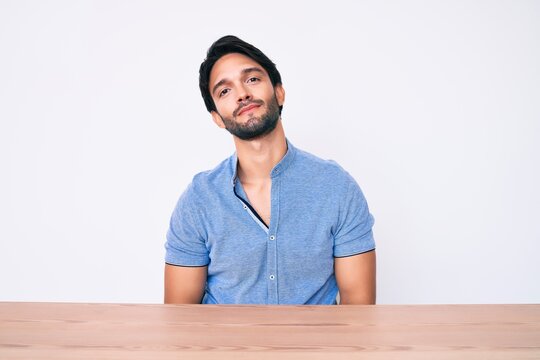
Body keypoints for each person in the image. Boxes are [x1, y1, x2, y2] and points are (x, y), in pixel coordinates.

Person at [164, 35, 376, 305]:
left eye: (252, 79)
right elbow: (180, 318)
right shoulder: (199, 201)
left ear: (279, 92)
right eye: (224, 91)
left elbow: (359, 311)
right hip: (226, 346)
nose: (242, 94)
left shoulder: (337, 187)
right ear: (217, 117)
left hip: (314, 346)